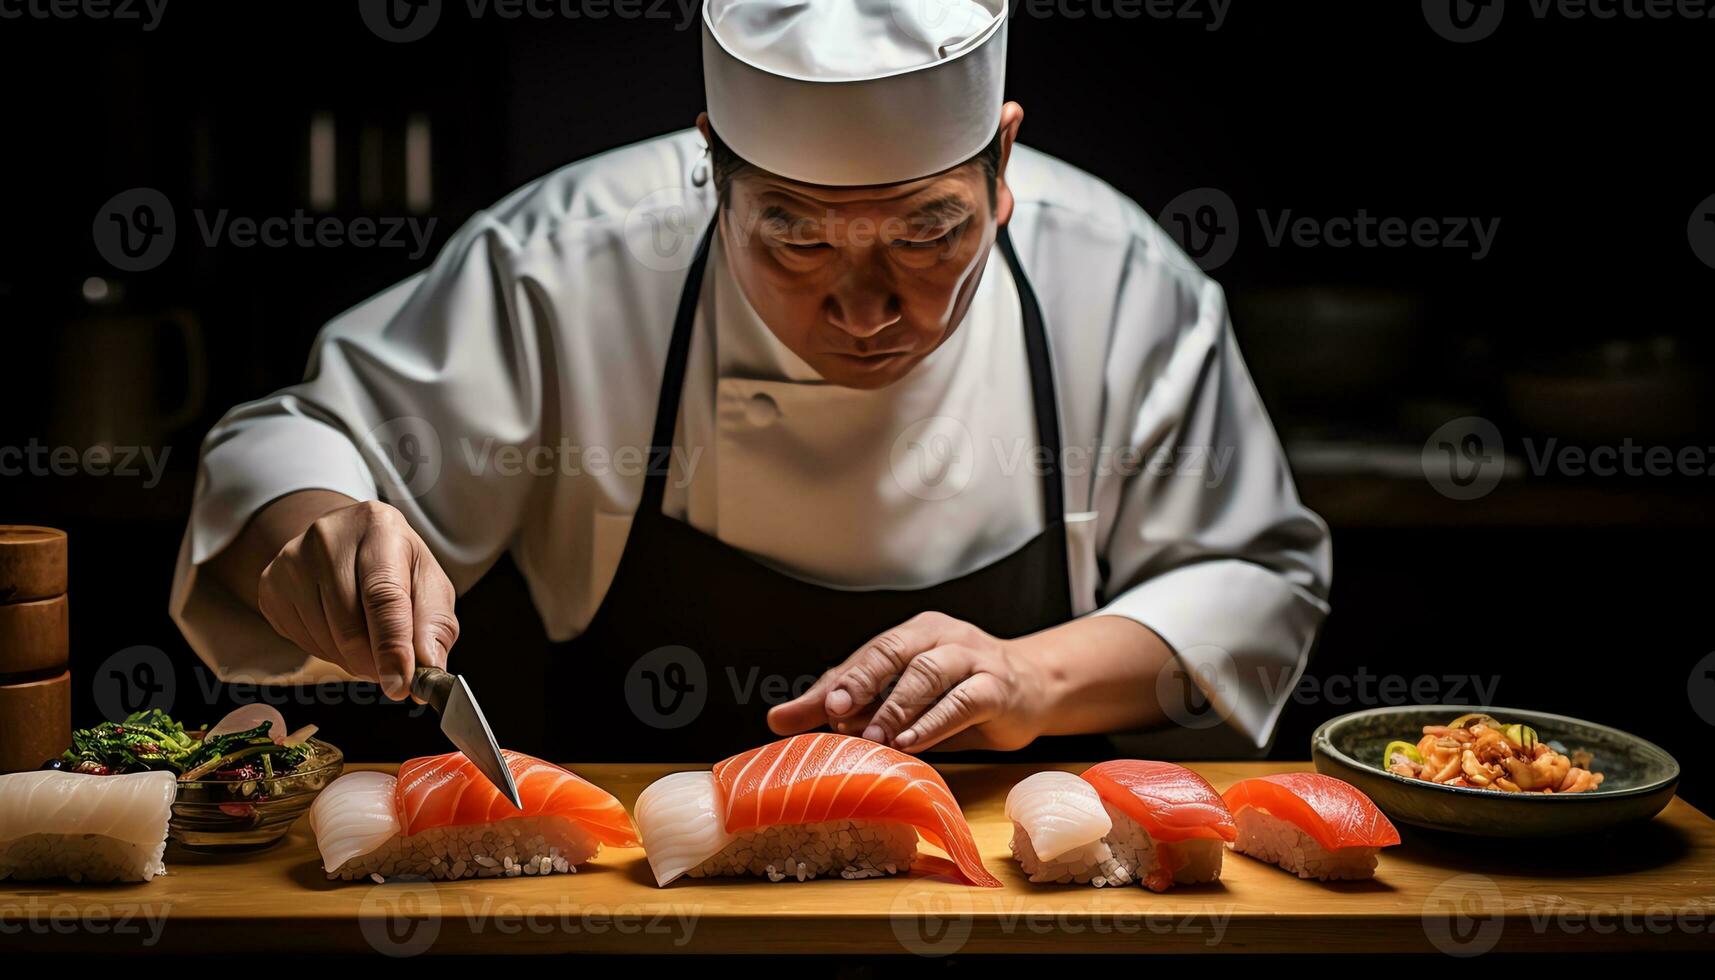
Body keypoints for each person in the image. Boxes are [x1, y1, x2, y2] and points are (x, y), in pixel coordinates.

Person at [170, 0, 1331, 759]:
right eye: (796, 238)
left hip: (1006, 897)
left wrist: (1028, 677)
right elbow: (294, 442)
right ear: (712, 172)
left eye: (929, 234)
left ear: (1004, 162)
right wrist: (320, 532)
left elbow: (1253, 577)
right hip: (633, 889)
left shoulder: (1119, 275)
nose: (866, 307)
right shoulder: (566, 262)